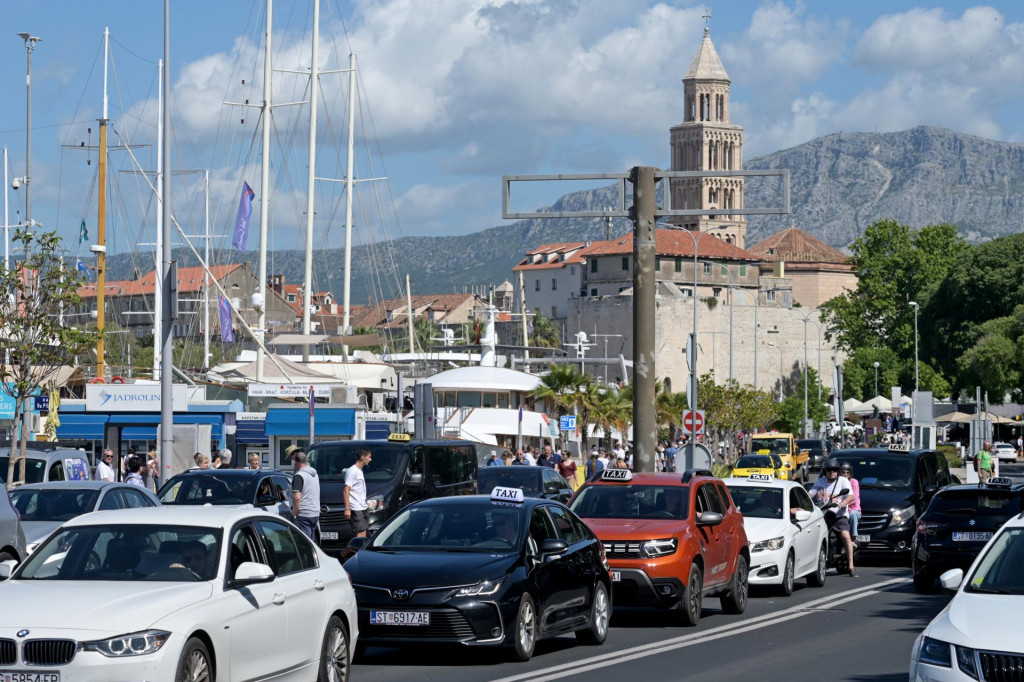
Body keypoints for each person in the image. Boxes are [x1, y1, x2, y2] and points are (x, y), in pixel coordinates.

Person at [811, 458, 857, 577]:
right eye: (829, 470)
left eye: (834, 470)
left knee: (846, 536)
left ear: (838, 471)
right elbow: (811, 493)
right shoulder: (820, 481)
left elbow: (850, 496)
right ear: (825, 471)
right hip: (824, 515)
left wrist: (843, 503)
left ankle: (851, 566)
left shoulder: (843, 481)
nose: (832, 472)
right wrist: (805, 500)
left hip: (839, 516)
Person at [289, 448, 321, 542]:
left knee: (304, 543)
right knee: (312, 541)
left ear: (296, 462)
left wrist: (294, 512)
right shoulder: (314, 474)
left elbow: (297, 497)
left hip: (303, 514)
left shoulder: (299, 476)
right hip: (315, 513)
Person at [343, 447, 371, 550]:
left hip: (362, 506)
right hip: (355, 507)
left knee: (362, 537)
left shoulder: (360, 470)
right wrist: (347, 508)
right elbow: (346, 490)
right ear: (363, 457)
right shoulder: (352, 471)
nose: (370, 459)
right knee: (361, 538)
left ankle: (341, 556)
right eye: (369, 457)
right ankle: (361, 560)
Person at [841, 462, 862, 538]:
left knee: (853, 514)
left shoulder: (854, 482)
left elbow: (854, 498)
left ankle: (853, 537)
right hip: (841, 510)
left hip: (853, 509)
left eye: (847, 472)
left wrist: (842, 503)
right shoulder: (838, 482)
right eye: (843, 472)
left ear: (850, 473)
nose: (845, 474)